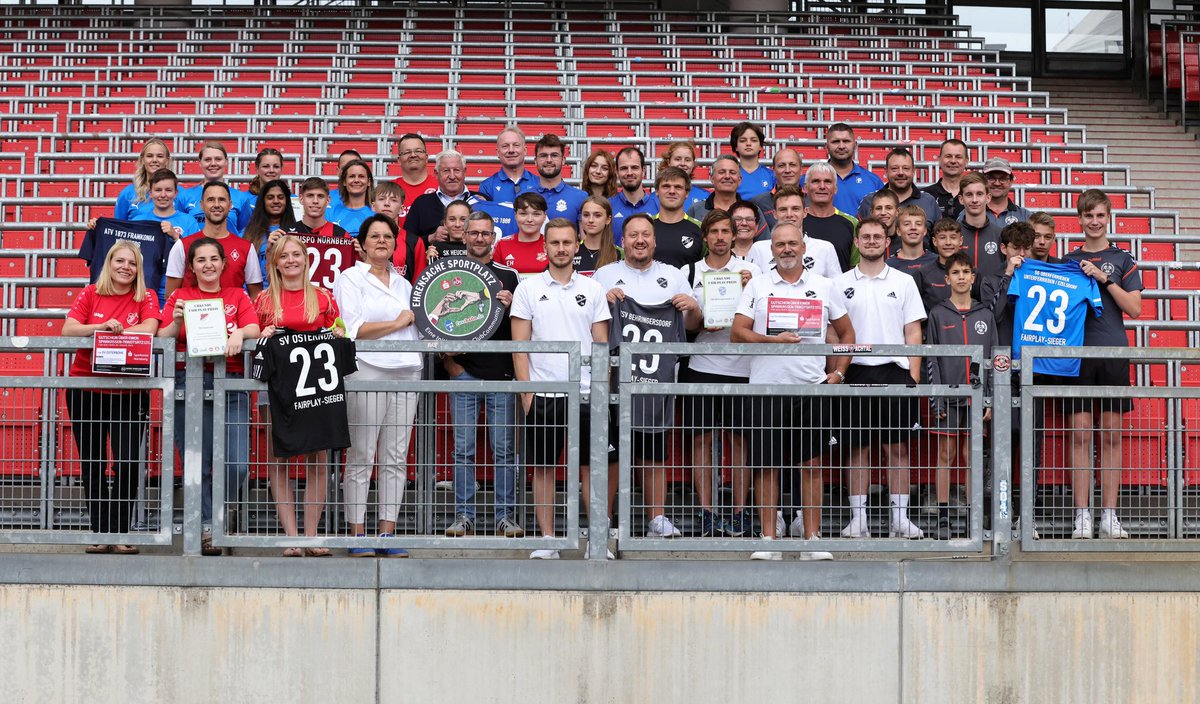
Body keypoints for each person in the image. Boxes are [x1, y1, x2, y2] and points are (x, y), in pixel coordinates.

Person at [731, 222, 853, 560]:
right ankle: (769, 540)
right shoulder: (757, 284)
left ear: (803, 247)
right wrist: (774, 341)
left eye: (792, 244)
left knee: (811, 465)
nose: (786, 249)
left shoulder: (825, 285)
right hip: (765, 389)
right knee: (766, 466)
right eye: (780, 244)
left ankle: (811, 540)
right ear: (771, 250)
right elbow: (738, 333)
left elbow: (847, 335)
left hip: (810, 389)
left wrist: (839, 374)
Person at [593, 214, 702, 540]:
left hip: (658, 379)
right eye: (633, 235)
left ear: (654, 241)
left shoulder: (672, 276)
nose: (639, 240)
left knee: (654, 449)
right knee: (610, 451)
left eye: (645, 235)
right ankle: (606, 519)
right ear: (622, 241)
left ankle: (657, 517)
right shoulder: (604, 275)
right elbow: (589, 324)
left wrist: (691, 307)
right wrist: (604, 302)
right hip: (612, 378)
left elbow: (694, 325)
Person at [510, 220, 612, 560]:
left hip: (585, 394)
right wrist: (527, 395)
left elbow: (601, 345)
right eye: (555, 242)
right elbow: (519, 346)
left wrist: (599, 391)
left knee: (590, 466)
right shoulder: (527, 288)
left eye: (567, 242)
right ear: (546, 246)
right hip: (544, 392)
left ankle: (596, 542)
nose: (562, 248)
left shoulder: (593, 289)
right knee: (542, 468)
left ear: (577, 243)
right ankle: (549, 539)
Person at [158, 237, 260, 556]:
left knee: (237, 463)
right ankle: (206, 528)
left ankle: (219, 512)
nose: (208, 265)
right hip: (189, 382)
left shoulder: (236, 295)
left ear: (223, 263)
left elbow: (255, 327)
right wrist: (176, 320)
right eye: (200, 260)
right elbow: (162, 338)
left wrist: (239, 333)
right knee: (196, 463)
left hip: (230, 383)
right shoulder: (181, 296)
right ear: (191, 267)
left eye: (213, 259)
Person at [332, 214, 423, 557]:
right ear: (364, 243)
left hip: (406, 370)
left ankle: (387, 532)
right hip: (367, 369)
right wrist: (396, 322)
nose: (382, 241)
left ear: (395, 243)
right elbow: (353, 328)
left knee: (396, 457)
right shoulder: (350, 278)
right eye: (375, 236)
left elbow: (417, 325)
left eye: (388, 236)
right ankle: (358, 534)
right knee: (361, 454)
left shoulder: (403, 283)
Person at [63, 241, 161, 554]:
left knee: (128, 463)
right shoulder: (91, 292)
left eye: (131, 263)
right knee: (93, 462)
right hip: (86, 391)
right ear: (109, 262)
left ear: (139, 268)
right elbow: (68, 330)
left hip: (129, 393)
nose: (125, 267)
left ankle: (120, 531)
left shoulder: (146, 296)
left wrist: (120, 332)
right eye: (119, 261)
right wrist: (102, 327)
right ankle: (99, 530)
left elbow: (150, 329)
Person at [834, 217, 927, 540]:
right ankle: (858, 519)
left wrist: (912, 375)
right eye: (866, 237)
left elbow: (913, 330)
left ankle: (899, 519)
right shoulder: (840, 283)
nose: (872, 241)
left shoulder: (903, 281)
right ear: (857, 243)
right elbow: (834, 332)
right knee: (857, 449)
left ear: (887, 242)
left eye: (877, 236)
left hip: (894, 370)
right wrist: (837, 372)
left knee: (897, 449)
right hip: (855, 368)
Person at [1061, 189, 1144, 539]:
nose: (1094, 222)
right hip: (1077, 355)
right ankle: (1083, 514)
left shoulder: (1123, 259)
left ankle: (1109, 515)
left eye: (1100, 215)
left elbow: (1135, 309)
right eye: (1088, 216)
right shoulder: (1068, 260)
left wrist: (1103, 277)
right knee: (1079, 435)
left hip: (1111, 352)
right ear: (1079, 219)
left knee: (1110, 436)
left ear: (1108, 217)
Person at [254, 235, 344, 556]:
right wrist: (260, 335)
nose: (291, 260)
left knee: (318, 460)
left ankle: (311, 535)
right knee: (279, 457)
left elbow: (339, 327)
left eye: (297, 254)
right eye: (284, 256)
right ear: (274, 263)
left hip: (314, 387)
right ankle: (291, 536)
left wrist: (339, 331)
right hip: (276, 389)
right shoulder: (264, 300)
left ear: (306, 259)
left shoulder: (322, 296)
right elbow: (253, 338)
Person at [441, 211, 525, 539]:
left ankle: (505, 517)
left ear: (494, 237)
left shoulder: (510, 276)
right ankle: (464, 516)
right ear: (463, 236)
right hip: (464, 375)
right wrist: (451, 365)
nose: (478, 238)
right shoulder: (448, 273)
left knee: (503, 449)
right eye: (473, 233)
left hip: (501, 375)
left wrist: (513, 302)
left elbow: (523, 325)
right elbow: (432, 322)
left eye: (484, 233)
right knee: (463, 449)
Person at [680, 210, 759, 538]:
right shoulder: (691, 271)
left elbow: (763, 316)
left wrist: (750, 288)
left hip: (743, 367)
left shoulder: (752, 271)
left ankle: (741, 512)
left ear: (734, 234)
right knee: (702, 441)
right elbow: (687, 327)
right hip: (702, 366)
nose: (721, 237)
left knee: (741, 442)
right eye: (714, 232)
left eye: (726, 231)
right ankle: (708, 512)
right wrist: (698, 316)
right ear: (706, 237)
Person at [924, 251, 996, 540]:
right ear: (947, 278)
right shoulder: (938, 314)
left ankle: (971, 515)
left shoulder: (985, 314)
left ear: (973, 277)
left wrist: (988, 397)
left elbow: (992, 359)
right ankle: (943, 517)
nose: (962, 277)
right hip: (949, 395)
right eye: (956, 272)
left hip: (977, 398)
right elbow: (932, 359)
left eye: (966, 272)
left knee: (972, 456)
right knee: (946, 454)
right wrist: (937, 395)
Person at [165, 181, 263, 300]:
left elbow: (255, 296)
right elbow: (171, 296)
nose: (216, 205)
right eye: (210, 200)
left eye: (222, 199)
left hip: (233, 317)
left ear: (230, 205)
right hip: (194, 317)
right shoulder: (183, 245)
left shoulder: (246, 248)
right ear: (201, 205)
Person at [128, 168, 202, 303]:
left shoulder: (188, 221)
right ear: (150, 193)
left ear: (176, 193)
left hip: (176, 290)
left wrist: (176, 236)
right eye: (158, 190)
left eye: (168, 190)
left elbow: (198, 255)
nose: (163, 195)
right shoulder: (138, 221)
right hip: (142, 291)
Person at [746, 188, 840, 281]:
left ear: (805, 212)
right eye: (783, 209)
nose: (789, 214)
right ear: (775, 214)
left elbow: (837, 288)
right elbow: (752, 287)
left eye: (795, 209)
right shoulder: (758, 249)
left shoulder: (825, 249)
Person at [801, 122, 883, 215]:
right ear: (826, 147)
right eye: (836, 142)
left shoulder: (873, 181)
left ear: (855, 145)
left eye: (846, 141)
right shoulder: (807, 180)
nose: (841, 146)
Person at [404, 149, 483, 244]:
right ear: (436, 174)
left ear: (464, 172)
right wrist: (430, 238)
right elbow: (406, 242)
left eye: (457, 170)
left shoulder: (481, 201)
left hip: (473, 259)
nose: (452, 176)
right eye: (446, 171)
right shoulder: (421, 203)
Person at [178, 140, 254, 235]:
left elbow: (245, 231)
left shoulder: (241, 198)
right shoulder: (184, 196)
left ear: (226, 162)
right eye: (208, 159)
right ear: (200, 163)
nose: (213, 163)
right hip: (194, 249)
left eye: (218, 159)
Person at [855, 148, 941, 231]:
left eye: (906, 168)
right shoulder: (869, 200)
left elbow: (939, 236)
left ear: (913, 171)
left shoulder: (929, 201)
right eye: (894, 169)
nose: (900, 173)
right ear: (886, 171)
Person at [801, 160, 858, 271]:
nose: (822, 186)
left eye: (827, 182)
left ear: (835, 188)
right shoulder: (796, 221)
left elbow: (855, 269)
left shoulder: (852, 223)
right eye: (816, 181)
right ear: (806, 188)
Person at [956, 172, 1005, 297]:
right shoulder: (952, 236)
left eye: (979, 194)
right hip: (959, 305)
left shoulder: (1001, 235)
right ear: (961, 199)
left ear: (988, 198)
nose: (974, 200)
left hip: (992, 305)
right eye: (969, 195)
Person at [243, 178, 298, 279]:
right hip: (255, 293)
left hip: (286, 291)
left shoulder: (297, 232)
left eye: (280, 197)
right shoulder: (246, 234)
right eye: (270, 197)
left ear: (287, 201)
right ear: (263, 201)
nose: (276, 201)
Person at [651, 166, 704, 267]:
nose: (672, 191)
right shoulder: (645, 226)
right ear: (657, 191)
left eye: (678, 187)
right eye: (666, 186)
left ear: (687, 193)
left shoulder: (700, 229)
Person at [911, 218, 966, 313]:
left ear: (960, 240)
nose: (948, 242)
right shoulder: (923, 274)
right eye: (942, 238)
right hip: (932, 327)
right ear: (934, 241)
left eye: (953, 237)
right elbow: (913, 311)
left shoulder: (970, 272)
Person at [531, 133, 588, 225]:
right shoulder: (523, 197)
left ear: (563, 160)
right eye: (543, 156)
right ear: (535, 161)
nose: (549, 160)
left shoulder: (580, 198)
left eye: (554, 155)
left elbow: (584, 238)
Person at [113, 138, 171, 220]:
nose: (154, 160)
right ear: (143, 160)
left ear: (167, 160)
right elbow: (117, 227)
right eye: (149, 156)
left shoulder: (180, 194)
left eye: (160, 156)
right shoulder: (128, 193)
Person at [609, 146, 658, 243]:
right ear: (617, 172)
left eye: (634, 167)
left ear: (643, 171)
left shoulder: (659, 206)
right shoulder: (607, 207)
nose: (629, 173)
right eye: (624, 168)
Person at [493, 192, 549, 276]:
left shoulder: (552, 244)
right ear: (515, 215)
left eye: (536, 214)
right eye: (523, 214)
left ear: (544, 217)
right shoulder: (501, 245)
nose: (529, 219)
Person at [392, 133, 439, 232]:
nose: (413, 155)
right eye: (407, 152)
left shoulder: (440, 187)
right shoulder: (389, 190)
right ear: (399, 160)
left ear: (426, 157)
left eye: (418, 151)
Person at [480, 126, 536, 206]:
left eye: (516, 145)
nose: (511, 150)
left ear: (525, 150)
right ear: (498, 152)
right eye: (505, 146)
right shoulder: (487, 187)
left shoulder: (539, 183)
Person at [750, 147, 802, 229]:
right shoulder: (758, 203)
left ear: (801, 169)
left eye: (792, 165)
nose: (787, 170)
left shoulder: (812, 201)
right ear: (773, 171)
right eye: (781, 166)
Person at [575, 196, 623, 275]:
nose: (590, 220)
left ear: (608, 219)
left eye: (597, 215)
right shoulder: (572, 251)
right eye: (586, 215)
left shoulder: (619, 253)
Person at [327, 158, 375, 236]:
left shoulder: (377, 213)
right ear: (344, 182)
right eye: (352, 176)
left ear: (369, 182)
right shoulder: (330, 213)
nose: (356, 180)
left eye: (361, 176)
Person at [658, 140, 709, 211]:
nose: (682, 163)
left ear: (693, 163)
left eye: (687, 160)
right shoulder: (656, 197)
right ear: (669, 162)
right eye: (677, 159)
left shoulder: (705, 196)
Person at [687, 154, 740, 222]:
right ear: (712, 179)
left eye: (732, 172)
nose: (727, 176)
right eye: (722, 172)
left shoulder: (751, 210)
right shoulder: (696, 210)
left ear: (740, 180)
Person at [923, 139, 968, 219]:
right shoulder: (925, 195)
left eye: (958, 157)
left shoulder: (973, 196)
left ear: (966, 162)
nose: (953, 161)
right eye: (948, 156)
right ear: (939, 160)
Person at [886, 204, 936, 276]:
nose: (913, 227)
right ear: (898, 231)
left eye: (918, 224)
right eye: (907, 224)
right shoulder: (888, 266)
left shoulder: (936, 261)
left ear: (925, 230)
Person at [730, 121, 774, 200]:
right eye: (743, 140)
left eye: (753, 140)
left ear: (760, 146)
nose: (748, 144)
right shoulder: (729, 176)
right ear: (736, 146)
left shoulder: (772, 176)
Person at [982, 157, 1030, 226]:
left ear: (1011, 182)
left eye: (1003, 179)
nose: (997, 183)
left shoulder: (1025, 217)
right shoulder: (969, 214)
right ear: (983, 181)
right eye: (991, 178)